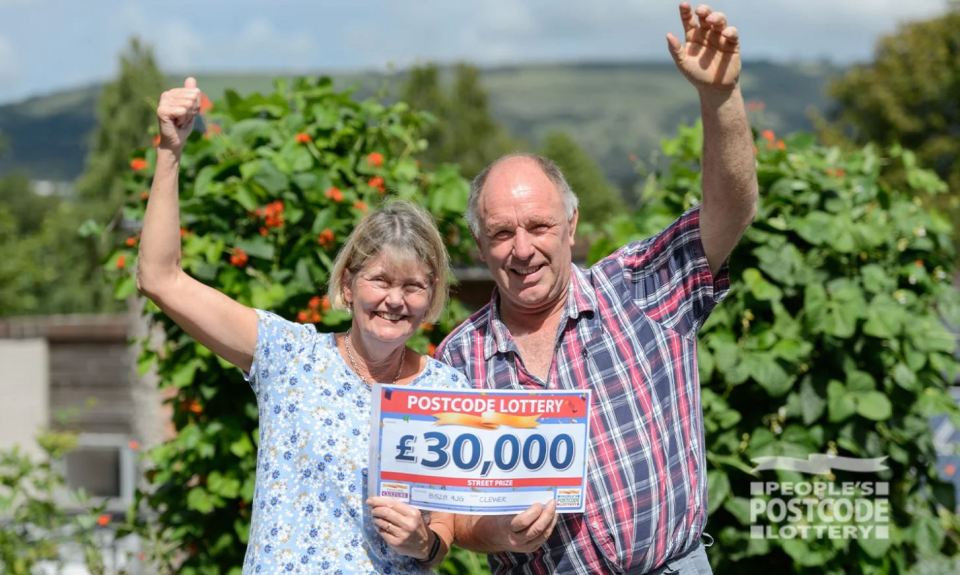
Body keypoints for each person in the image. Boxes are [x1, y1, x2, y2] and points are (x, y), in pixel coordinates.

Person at [436, 3, 758, 574]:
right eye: (502, 233)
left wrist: (719, 98)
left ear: (572, 226)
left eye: (539, 226)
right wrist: (500, 531)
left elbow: (729, 209)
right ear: (481, 247)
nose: (523, 248)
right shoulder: (460, 359)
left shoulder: (639, 284)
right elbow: (453, 518)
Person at [137, 78, 468, 573]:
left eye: (414, 286)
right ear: (349, 283)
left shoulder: (446, 390)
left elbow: (445, 529)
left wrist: (424, 542)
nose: (395, 300)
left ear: (432, 298)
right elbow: (160, 278)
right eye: (380, 280)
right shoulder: (289, 356)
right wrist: (169, 149)